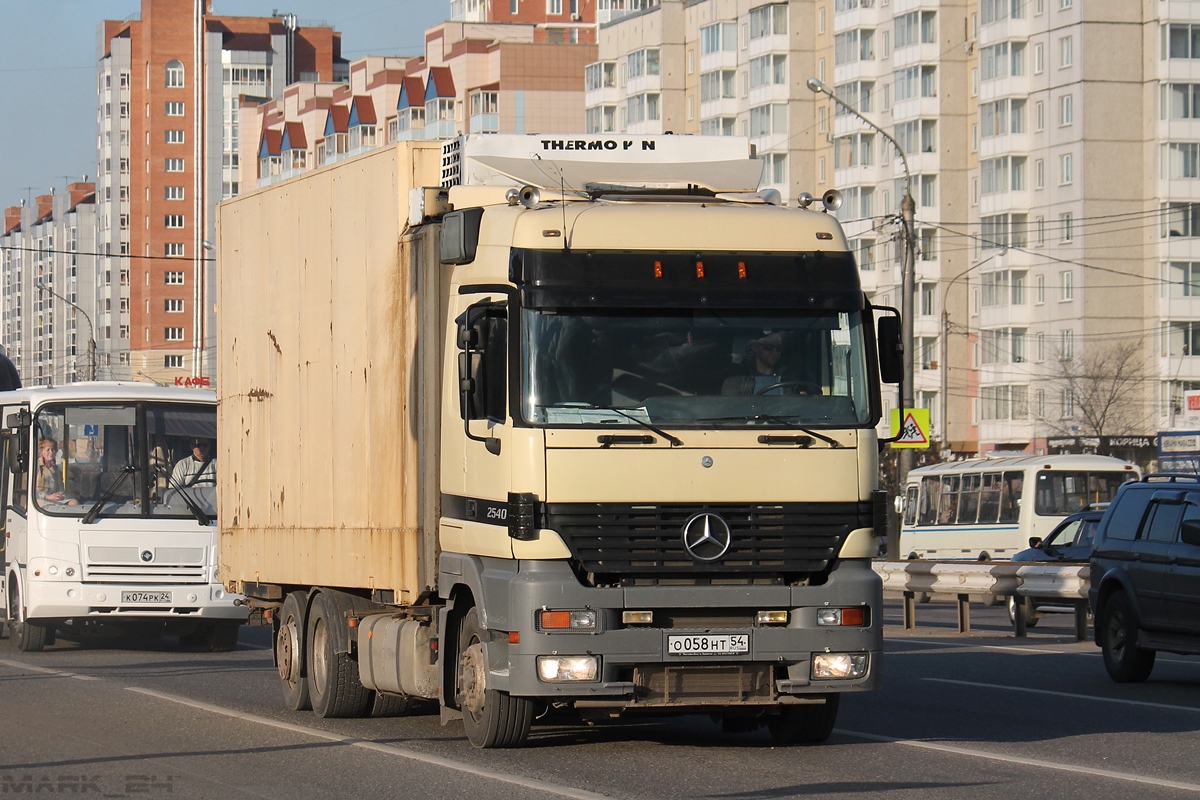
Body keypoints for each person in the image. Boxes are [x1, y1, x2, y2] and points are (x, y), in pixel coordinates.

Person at [721, 332, 811, 396]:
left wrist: (801, 399)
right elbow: (731, 410)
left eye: (778, 348)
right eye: (769, 347)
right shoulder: (736, 379)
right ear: (755, 348)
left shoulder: (790, 379)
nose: (775, 352)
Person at [36, 437, 77, 506]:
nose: (51, 452)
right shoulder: (36, 466)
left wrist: (60, 495)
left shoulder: (56, 468)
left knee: (73, 502)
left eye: (53, 449)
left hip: (54, 500)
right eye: (48, 450)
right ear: (41, 451)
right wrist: (47, 497)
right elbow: (33, 491)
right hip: (40, 500)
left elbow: (61, 488)